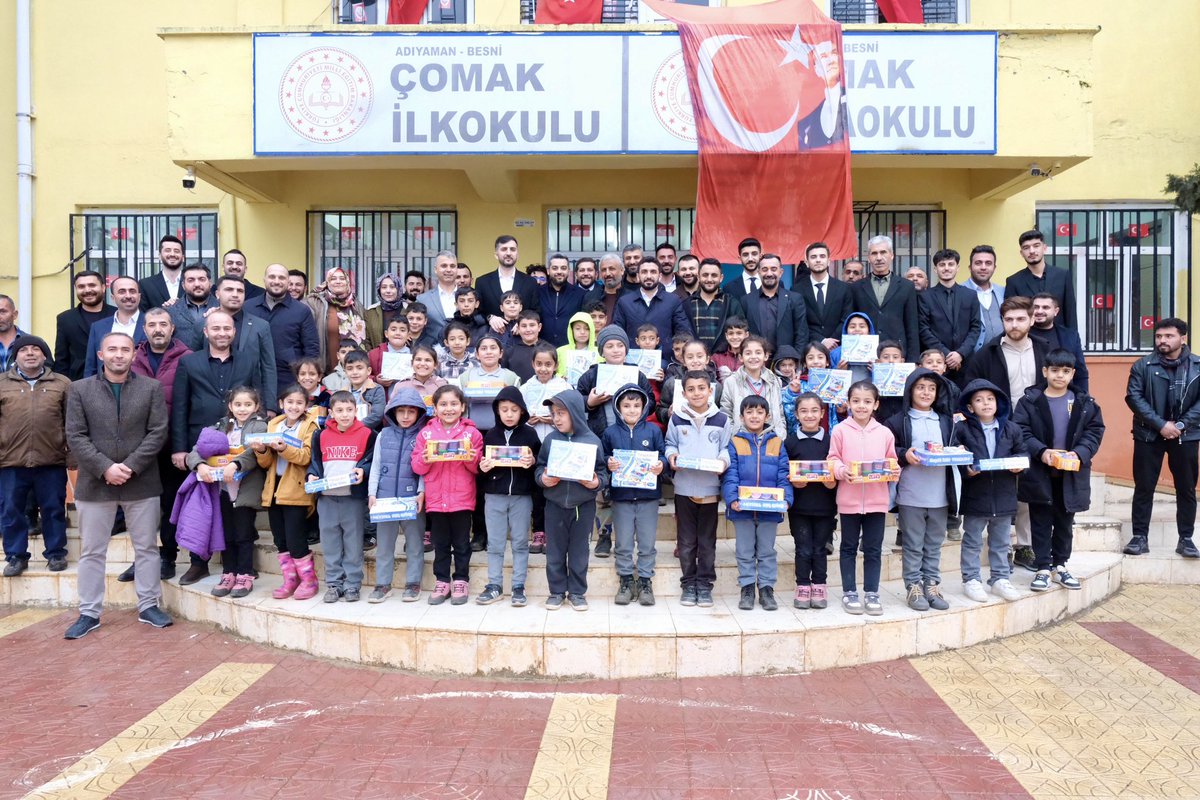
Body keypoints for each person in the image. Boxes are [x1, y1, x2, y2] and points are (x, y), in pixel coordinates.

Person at [64, 332, 171, 639]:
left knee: (148, 548)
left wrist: (131, 466)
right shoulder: (80, 390)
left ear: (133, 354)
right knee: (92, 551)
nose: (119, 355)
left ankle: (149, 605)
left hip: (142, 481)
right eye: (112, 349)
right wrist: (105, 468)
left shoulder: (151, 388)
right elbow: (76, 435)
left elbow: (157, 432)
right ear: (101, 355)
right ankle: (89, 612)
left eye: (125, 349)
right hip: (95, 484)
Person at [171, 312, 268, 585]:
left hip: (240, 447)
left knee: (236, 513)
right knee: (201, 509)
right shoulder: (189, 362)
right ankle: (198, 563)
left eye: (227, 328)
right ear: (206, 332)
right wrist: (181, 450)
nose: (222, 333)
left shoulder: (248, 361)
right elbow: (179, 407)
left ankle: (242, 567)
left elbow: (256, 394)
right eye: (216, 328)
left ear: (234, 332)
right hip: (202, 447)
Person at [1012, 349, 1105, 592]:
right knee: (1040, 520)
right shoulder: (1030, 401)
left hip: (1071, 474)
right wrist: (1042, 452)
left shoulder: (1085, 403)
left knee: (1065, 521)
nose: (1059, 376)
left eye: (1065, 371)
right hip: (1039, 473)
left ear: (1073, 373)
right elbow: (1021, 430)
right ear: (1045, 371)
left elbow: (1094, 432)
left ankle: (1060, 566)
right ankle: (1043, 567)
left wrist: (1080, 453)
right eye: (1054, 370)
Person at [122, 307, 192, 582]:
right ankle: (141, 558)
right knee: (140, 506)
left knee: (170, 503)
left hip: (172, 446)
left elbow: (187, 405)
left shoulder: (187, 358)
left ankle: (167, 557)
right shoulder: (132, 358)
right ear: (145, 328)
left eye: (163, 324)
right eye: (152, 324)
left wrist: (181, 446)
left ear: (172, 328)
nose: (158, 329)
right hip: (137, 447)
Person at [1124, 318, 1200, 559]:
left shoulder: (1197, 365)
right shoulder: (1142, 365)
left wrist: (1179, 425)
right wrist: (1161, 425)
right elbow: (1134, 398)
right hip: (1148, 435)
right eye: (1159, 336)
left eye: (1168, 336)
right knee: (1144, 487)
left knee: (1186, 488)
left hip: (1186, 435)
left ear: (1183, 338)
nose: (1162, 341)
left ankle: (1186, 539)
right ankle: (1139, 537)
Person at [886, 369, 960, 612]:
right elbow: (888, 452)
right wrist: (903, 454)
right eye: (920, 387)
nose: (926, 392)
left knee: (934, 542)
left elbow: (958, 448)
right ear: (910, 391)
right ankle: (913, 586)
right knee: (913, 543)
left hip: (940, 494)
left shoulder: (947, 421)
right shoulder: (899, 421)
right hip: (910, 494)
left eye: (931, 388)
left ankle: (931, 584)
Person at [828, 380, 900, 616]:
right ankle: (849, 592)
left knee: (873, 548)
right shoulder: (839, 430)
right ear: (848, 403)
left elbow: (891, 462)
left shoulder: (885, 433)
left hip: (877, 501)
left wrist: (894, 472)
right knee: (848, 547)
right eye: (856, 401)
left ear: (876, 405)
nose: (861, 406)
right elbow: (833, 458)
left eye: (867, 402)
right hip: (848, 501)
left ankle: (872, 592)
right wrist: (840, 470)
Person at [0, 335, 70, 577]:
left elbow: (71, 422)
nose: (30, 353)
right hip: (10, 461)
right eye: (24, 350)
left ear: (44, 355)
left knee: (53, 509)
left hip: (51, 460)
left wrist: (70, 455)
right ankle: (16, 556)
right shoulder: (2, 383)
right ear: (15, 356)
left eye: (36, 350)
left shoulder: (62, 384)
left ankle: (56, 553)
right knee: (11, 510)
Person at [189, 386, 268, 599]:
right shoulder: (221, 426)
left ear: (256, 406)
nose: (243, 409)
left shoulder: (259, 426)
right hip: (221, 490)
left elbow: (254, 453)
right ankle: (229, 573)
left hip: (245, 490)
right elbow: (197, 450)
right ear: (230, 406)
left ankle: (245, 574)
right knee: (226, 534)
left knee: (243, 534)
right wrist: (200, 466)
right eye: (238, 405)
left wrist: (236, 464)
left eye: (248, 404)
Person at [535, 389, 607, 611]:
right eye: (553, 413)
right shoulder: (550, 440)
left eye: (561, 413)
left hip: (583, 506)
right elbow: (539, 467)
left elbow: (602, 472)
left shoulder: (592, 441)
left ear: (575, 412)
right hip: (555, 505)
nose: (556, 418)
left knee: (579, 551)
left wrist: (595, 483)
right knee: (554, 551)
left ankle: (577, 592)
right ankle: (556, 591)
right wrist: (543, 479)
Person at [956, 379, 1026, 602]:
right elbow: (957, 459)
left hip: (1004, 496)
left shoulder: (1012, 429)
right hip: (976, 496)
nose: (985, 404)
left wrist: (1018, 465)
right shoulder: (962, 429)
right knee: (973, 540)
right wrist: (966, 468)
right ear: (970, 407)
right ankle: (971, 579)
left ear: (998, 403)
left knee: (1001, 541)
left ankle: (1000, 578)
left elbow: (1023, 454)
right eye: (978, 400)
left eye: (990, 399)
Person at [665, 370, 731, 607]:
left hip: (710, 488)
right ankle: (688, 583)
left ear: (710, 391)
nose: (696, 393)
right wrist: (671, 456)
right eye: (691, 389)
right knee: (686, 541)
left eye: (701, 388)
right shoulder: (677, 418)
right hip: (683, 487)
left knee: (706, 541)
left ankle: (704, 585)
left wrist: (723, 462)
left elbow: (725, 448)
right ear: (683, 394)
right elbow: (670, 444)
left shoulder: (722, 419)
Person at [412, 384, 482, 605]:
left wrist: (471, 458)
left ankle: (461, 579)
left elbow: (478, 468)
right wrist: (424, 457)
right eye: (443, 404)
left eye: (454, 404)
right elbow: (417, 467)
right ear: (434, 408)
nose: (448, 409)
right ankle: (442, 581)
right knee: (440, 543)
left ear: (462, 407)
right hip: (436, 499)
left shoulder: (472, 433)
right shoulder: (426, 433)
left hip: (462, 499)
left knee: (462, 543)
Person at [724, 395, 792, 611]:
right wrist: (732, 498)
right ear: (741, 416)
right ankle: (746, 588)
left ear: (767, 415)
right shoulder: (735, 442)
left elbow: (784, 474)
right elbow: (731, 474)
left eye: (759, 412)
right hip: (742, 509)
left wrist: (787, 499)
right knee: (744, 550)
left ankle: (766, 589)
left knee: (766, 551)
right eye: (749, 412)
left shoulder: (777, 443)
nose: (754, 416)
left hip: (769, 511)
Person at [307, 390, 376, 603]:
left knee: (353, 543)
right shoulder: (321, 435)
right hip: (327, 498)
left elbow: (371, 460)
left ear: (357, 411)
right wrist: (311, 475)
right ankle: (334, 584)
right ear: (331, 412)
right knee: (330, 543)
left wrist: (363, 470)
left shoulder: (368, 434)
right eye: (339, 410)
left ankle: (353, 584)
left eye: (349, 410)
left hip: (352, 499)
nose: (344, 414)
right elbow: (315, 462)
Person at [476, 386, 541, 606]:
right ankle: (494, 585)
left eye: (514, 409)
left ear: (522, 411)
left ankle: (518, 587)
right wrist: (482, 467)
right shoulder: (491, 434)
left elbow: (539, 462)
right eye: (504, 409)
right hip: (494, 496)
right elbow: (480, 467)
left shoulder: (530, 434)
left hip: (522, 496)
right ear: (497, 411)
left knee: (521, 542)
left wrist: (532, 462)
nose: (509, 414)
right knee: (495, 543)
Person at [602, 384, 665, 607]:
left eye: (636, 405)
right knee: (624, 541)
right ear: (618, 408)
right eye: (626, 405)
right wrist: (609, 463)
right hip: (622, 497)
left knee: (647, 542)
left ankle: (646, 581)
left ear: (644, 407)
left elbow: (664, 456)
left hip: (648, 497)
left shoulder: (653, 431)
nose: (631, 410)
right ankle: (626, 580)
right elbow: (604, 459)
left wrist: (661, 465)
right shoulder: (610, 433)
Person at [257, 383, 321, 601]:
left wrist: (284, 448)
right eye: (289, 402)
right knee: (280, 539)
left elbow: (305, 457)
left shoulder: (310, 427)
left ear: (306, 405)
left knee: (296, 539)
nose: (294, 406)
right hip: (273, 488)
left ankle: (309, 580)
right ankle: (290, 580)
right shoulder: (273, 424)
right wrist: (262, 450)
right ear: (281, 403)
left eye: (299, 403)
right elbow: (266, 463)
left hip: (296, 489)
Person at [367, 387, 429, 603]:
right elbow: (375, 467)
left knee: (414, 544)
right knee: (384, 546)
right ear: (392, 412)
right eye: (400, 411)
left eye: (411, 412)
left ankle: (413, 583)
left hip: (412, 501)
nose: (405, 416)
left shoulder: (423, 435)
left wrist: (422, 492)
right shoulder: (383, 435)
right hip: (384, 500)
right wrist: (372, 494)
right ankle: (383, 584)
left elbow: (425, 467)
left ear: (419, 413)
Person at [784, 392, 837, 610]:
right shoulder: (790, 441)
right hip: (799, 507)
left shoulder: (831, 441)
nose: (809, 415)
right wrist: (792, 483)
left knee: (819, 549)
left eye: (814, 410)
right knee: (802, 548)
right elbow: (784, 471)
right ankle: (803, 586)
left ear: (822, 413)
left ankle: (820, 586)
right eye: (804, 411)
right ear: (796, 414)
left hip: (825, 506)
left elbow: (838, 468)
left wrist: (832, 483)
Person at [245, 263, 320, 396]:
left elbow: (311, 348)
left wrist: (307, 380)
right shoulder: (248, 307)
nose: (276, 281)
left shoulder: (301, 311)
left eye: (281, 278)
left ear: (287, 282)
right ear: (264, 280)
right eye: (272, 277)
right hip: (252, 377)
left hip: (288, 379)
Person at [213, 275, 279, 411]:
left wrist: (271, 407)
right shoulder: (204, 324)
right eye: (229, 290)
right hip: (212, 404)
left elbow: (268, 368)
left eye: (240, 291)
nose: (235, 295)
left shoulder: (261, 326)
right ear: (217, 294)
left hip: (250, 405)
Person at [850, 235, 920, 361]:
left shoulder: (906, 286)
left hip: (896, 354)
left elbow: (912, 326)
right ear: (869, 258)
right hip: (864, 354)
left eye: (883, 252)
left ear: (891, 255)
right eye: (874, 253)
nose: (879, 258)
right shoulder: (856, 287)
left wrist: (913, 360)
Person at [919, 249, 982, 385]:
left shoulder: (970, 295)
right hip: (937, 362)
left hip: (965, 362)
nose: (946, 268)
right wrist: (946, 355)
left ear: (957, 268)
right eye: (942, 265)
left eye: (950, 264)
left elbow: (975, 328)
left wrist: (960, 354)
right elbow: (924, 329)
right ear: (935, 269)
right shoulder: (925, 297)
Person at [612, 258, 695, 347]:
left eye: (653, 272)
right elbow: (617, 333)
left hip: (665, 358)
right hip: (633, 358)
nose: (648, 276)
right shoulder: (625, 302)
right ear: (638, 276)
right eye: (644, 272)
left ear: (660, 276)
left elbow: (683, 332)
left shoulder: (673, 301)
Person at [1006, 230, 1077, 330]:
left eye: (1036, 246)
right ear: (1021, 253)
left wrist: (1072, 340)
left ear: (1044, 248)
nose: (1032, 251)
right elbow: (1012, 315)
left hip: (1059, 339)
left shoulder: (1062, 275)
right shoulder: (1014, 281)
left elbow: (1070, 312)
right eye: (1026, 248)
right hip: (1029, 339)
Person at [720, 335, 785, 438]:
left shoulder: (775, 381)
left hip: (770, 439)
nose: (753, 357)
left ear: (766, 356)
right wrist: (735, 436)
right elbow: (726, 414)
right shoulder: (731, 382)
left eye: (758, 353)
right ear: (741, 357)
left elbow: (780, 414)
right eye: (748, 353)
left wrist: (780, 435)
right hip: (742, 439)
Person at [54, 270, 114, 381]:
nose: (87, 290)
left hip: (113, 380)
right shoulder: (65, 319)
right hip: (77, 382)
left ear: (103, 288)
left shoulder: (116, 315)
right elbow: (61, 359)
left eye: (92, 285)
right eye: (81, 286)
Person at [305, 266, 367, 372]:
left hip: (354, 367)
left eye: (342, 279)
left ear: (347, 282)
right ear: (327, 282)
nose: (338, 282)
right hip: (326, 362)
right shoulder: (316, 302)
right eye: (333, 279)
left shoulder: (356, 304)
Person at [742, 254, 808, 351]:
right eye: (764, 269)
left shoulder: (795, 299)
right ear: (758, 272)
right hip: (755, 361)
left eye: (773, 269)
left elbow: (801, 334)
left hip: (786, 362)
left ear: (780, 272)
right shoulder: (746, 300)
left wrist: (796, 360)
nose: (769, 273)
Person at [796, 242, 854, 353]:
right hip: (811, 350)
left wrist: (832, 341)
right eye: (813, 257)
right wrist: (821, 340)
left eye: (822, 256)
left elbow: (846, 318)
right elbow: (800, 322)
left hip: (838, 348)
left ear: (828, 261)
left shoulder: (843, 288)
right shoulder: (797, 290)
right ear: (807, 263)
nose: (818, 260)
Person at [84, 276, 146, 377]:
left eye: (132, 291)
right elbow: (91, 366)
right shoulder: (98, 327)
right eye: (122, 291)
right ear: (113, 297)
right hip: (103, 389)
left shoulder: (151, 325)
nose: (128, 295)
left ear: (139, 296)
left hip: (142, 389)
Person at [477, 236, 540, 332]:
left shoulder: (530, 282)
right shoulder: (482, 282)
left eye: (512, 249)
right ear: (496, 254)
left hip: (522, 339)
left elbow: (535, 311)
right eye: (504, 249)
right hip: (491, 338)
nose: (508, 253)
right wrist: (490, 318)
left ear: (517, 254)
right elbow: (478, 312)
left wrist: (522, 322)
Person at [1029, 292, 1089, 392]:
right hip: (1031, 396)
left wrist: (1083, 398)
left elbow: (1080, 371)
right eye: (1036, 307)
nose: (1040, 311)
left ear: (1056, 311)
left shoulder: (1070, 336)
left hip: (1063, 396)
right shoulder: (1023, 334)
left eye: (1045, 307)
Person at [685, 258, 745, 354]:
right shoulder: (687, 304)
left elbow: (740, 332)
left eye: (714, 275)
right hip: (696, 360)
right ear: (699, 277)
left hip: (724, 360)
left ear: (721, 278)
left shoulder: (731, 303)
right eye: (705, 275)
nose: (709, 279)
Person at [659, 339, 722, 424]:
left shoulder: (716, 386)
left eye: (699, 356)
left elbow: (721, 410)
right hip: (679, 430)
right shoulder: (672, 383)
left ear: (707, 359)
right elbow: (660, 408)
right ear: (684, 361)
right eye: (690, 357)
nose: (695, 361)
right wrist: (667, 413)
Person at [536, 253, 586, 347]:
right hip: (542, 349)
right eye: (555, 268)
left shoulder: (580, 294)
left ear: (568, 270)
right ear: (548, 270)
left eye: (563, 268)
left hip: (570, 349)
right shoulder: (537, 293)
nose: (559, 271)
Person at [167, 263, 220, 350]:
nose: (197, 284)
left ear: (210, 283)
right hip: (181, 362)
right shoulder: (170, 311)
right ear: (183, 285)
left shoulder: (221, 308)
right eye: (191, 280)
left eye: (202, 279)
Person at [963, 245, 1005, 351]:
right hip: (971, 358)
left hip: (1001, 354)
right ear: (970, 267)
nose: (983, 267)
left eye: (988, 263)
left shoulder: (1003, 291)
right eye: (978, 263)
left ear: (994, 268)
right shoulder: (960, 292)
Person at [415, 251, 460, 342]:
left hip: (461, 352)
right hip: (431, 351)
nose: (448, 270)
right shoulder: (423, 300)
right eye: (444, 266)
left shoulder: (468, 298)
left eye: (452, 266)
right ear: (436, 269)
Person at [138, 234, 185, 309]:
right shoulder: (145, 285)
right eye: (167, 250)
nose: (172, 254)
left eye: (176, 251)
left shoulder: (193, 283)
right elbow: (143, 315)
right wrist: (163, 310)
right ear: (159, 256)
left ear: (183, 258)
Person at [502, 310, 550, 383]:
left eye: (532, 325)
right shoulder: (510, 352)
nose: (528, 329)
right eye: (524, 326)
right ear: (518, 328)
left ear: (539, 327)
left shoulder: (549, 350)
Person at [343, 349, 386, 430]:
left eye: (359, 368)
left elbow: (376, 416)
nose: (354, 372)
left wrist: (354, 428)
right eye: (350, 369)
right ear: (345, 372)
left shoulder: (376, 389)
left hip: (368, 431)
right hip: (345, 431)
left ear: (368, 371)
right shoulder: (342, 392)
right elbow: (332, 415)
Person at [368, 317, 410, 392]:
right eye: (393, 329)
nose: (398, 333)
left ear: (408, 335)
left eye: (402, 330)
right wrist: (376, 380)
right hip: (383, 399)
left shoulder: (415, 354)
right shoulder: (374, 354)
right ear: (386, 334)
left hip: (408, 398)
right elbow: (363, 375)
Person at [556, 311, 598, 384]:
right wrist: (560, 377)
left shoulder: (599, 352)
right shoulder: (560, 351)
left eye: (587, 328)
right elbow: (552, 372)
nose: (582, 332)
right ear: (571, 330)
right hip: (565, 391)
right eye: (578, 328)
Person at [597, 253, 624, 322]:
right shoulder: (591, 297)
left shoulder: (631, 298)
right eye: (603, 270)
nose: (607, 273)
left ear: (622, 271)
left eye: (612, 269)